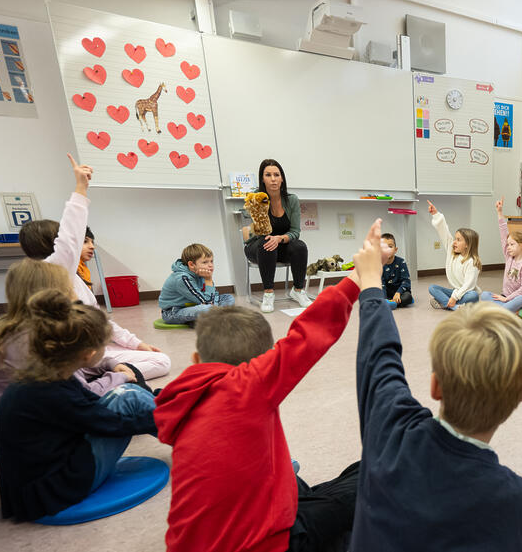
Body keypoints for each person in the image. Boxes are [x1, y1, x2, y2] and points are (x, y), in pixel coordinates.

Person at [350, 219, 522, 551]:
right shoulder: (515, 497)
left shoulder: (390, 429)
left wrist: (370, 285)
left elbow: (379, 357)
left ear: (435, 385)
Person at [153, 237, 373, 552]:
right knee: (370, 474)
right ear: (260, 365)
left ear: (196, 361)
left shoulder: (180, 399)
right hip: (271, 543)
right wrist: (356, 279)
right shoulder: (246, 388)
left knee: (300, 477)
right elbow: (308, 334)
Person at [0, 289, 157, 522]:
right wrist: (165, 415)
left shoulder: (47, 374)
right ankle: (193, 436)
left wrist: (166, 403)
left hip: (44, 477)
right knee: (129, 400)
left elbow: (92, 407)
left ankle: (185, 427)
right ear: (89, 354)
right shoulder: (51, 391)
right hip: (55, 488)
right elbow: (112, 425)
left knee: (128, 395)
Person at [18, 154, 171, 380]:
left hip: (88, 353)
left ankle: (103, 373)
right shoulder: (54, 269)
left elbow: (102, 321)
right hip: (76, 359)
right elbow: (70, 236)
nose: (85, 244)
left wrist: (137, 344)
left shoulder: (65, 274)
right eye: (82, 240)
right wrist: (81, 188)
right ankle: (106, 379)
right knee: (161, 362)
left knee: (155, 358)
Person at [0, 259, 148, 420]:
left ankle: (152, 405)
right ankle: (157, 414)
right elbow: (80, 392)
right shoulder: (36, 340)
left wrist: (111, 365)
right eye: (70, 287)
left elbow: (78, 371)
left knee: (123, 370)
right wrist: (121, 377)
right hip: (41, 420)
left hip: (27, 413)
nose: (75, 293)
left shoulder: (16, 328)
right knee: (130, 392)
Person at [242, 159, 311, 313]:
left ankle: (298, 290)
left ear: (282, 178)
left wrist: (279, 238)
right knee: (267, 242)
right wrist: (256, 204)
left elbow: (295, 231)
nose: (273, 179)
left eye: (276, 175)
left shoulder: (291, 200)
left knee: (299, 246)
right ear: (262, 179)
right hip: (258, 246)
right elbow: (251, 221)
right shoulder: (256, 197)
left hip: (281, 245)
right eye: (268, 175)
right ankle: (268, 293)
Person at [480, 196, 522, 316]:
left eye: (512, 244)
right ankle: (509, 311)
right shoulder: (509, 256)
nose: (508, 247)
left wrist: (508, 298)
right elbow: (503, 232)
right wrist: (500, 212)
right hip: (505, 298)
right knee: (484, 295)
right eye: (508, 244)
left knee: (520, 299)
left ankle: (501, 311)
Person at [158, 243, 235, 325]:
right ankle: (219, 317)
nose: (210, 265)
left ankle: (214, 317)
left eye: (211, 261)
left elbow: (214, 295)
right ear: (191, 265)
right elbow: (207, 303)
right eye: (205, 262)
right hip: (173, 312)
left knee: (228, 297)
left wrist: (213, 305)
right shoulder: (183, 278)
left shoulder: (199, 273)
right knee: (206, 308)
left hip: (195, 305)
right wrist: (208, 280)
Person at [426, 200, 481, 310]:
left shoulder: (472, 262)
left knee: (473, 295)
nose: (454, 242)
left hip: (467, 293)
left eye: (458, 240)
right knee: (432, 288)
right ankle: (455, 307)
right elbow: (444, 232)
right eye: (455, 239)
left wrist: (454, 297)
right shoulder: (452, 252)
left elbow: (468, 286)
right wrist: (436, 215)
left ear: (467, 244)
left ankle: (447, 304)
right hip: (456, 291)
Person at [380, 232, 413, 310]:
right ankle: (388, 303)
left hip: (400, 293)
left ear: (395, 250)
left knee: (407, 297)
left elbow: (406, 281)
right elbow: (382, 284)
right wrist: (384, 299)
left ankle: (390, 304)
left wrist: (398, 293)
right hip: (386, 292)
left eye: (390, 246)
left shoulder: (401, 262)